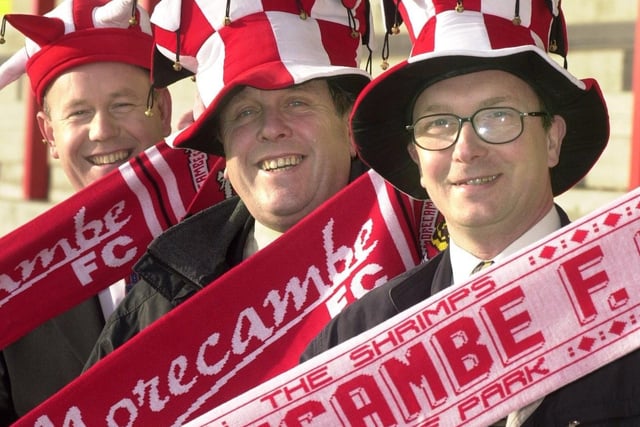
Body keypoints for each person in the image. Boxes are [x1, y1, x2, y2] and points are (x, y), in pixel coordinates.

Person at [302, 0, 640, 425]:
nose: (465, 149)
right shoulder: (350, 348)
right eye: (438, 124)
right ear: (417, 159)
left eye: (498, 116)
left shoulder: (632, 301)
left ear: (552, 140)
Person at [83, 0, 374, 366]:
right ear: (223, 152)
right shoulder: (158, 300)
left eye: (297, 102)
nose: (271, 129)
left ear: (349, 129)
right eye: (245, 113)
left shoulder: (420, 263)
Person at [0, 0, 171, 422]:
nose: (102, 131)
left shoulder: (234, 245)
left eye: (123, 105)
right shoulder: (15, 285)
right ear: (48, 133)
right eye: (78, 113)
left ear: (164, 111)